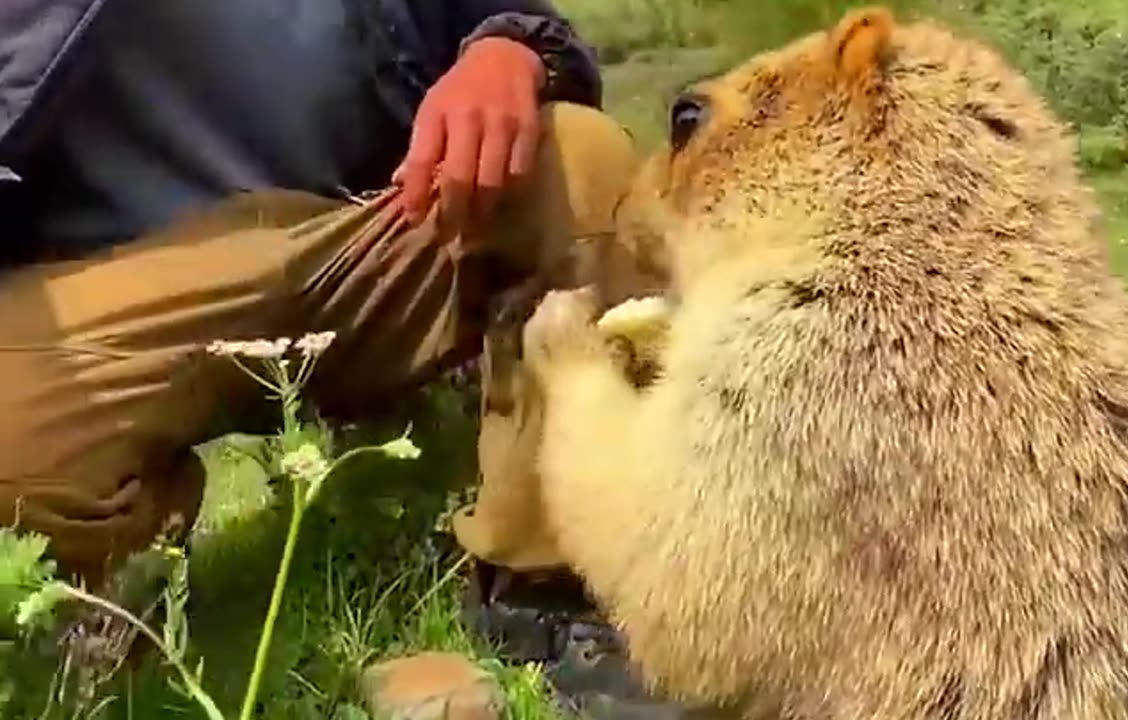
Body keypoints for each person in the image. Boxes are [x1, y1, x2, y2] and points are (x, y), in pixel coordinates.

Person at [0, 0, 646, 712]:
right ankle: (127, 593)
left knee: (584, 164)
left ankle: (547, 593)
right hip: (118, 285)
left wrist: (508, 52)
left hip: (368, 226)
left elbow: (518, 21)